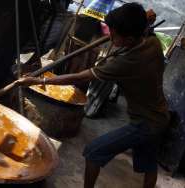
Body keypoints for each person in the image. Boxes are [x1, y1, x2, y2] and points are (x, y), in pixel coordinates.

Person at [17, 3, 169, 188]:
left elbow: (81, 76)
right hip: (160, 116)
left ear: (129, 39)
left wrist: (41, 81)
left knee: (93, 152)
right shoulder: (151, 42)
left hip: (145, 123)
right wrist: (144, 19)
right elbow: (143, 24)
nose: (109, 37)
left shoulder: (128, 62)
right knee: (148, 164)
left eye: (113, 35)